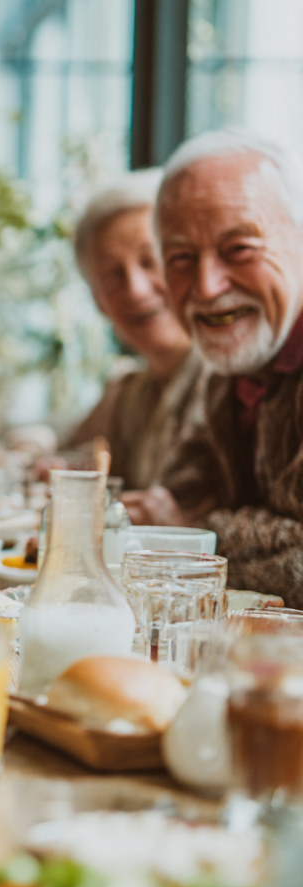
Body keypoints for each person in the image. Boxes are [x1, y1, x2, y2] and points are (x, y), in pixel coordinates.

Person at [122, 130, 303, 607]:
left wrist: (198, 535)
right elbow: (176, 497)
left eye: (239, 248)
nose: (206, 286)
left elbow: (184, 525)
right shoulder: (230, 372)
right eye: (181, 258)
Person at [63, 170, 204, 489]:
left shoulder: (238, 385)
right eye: (113, 275)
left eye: (151, 260)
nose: (136, 290)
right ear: (98, 301)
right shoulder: (128, 392)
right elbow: (71, 452)